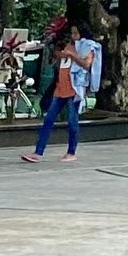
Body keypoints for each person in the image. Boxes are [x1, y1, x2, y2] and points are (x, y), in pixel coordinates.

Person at [21, 19, 93, 162]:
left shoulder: (87, 48)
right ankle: (38, 152)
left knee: (72, 122)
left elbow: (87, 64)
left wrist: (72, 56)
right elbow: (60, 62)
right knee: (48, 120)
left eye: (76, 34)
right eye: (72, 33)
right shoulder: (68, 45)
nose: (73, 37)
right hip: (60, 89)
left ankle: (71, 151)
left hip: (74, 91)